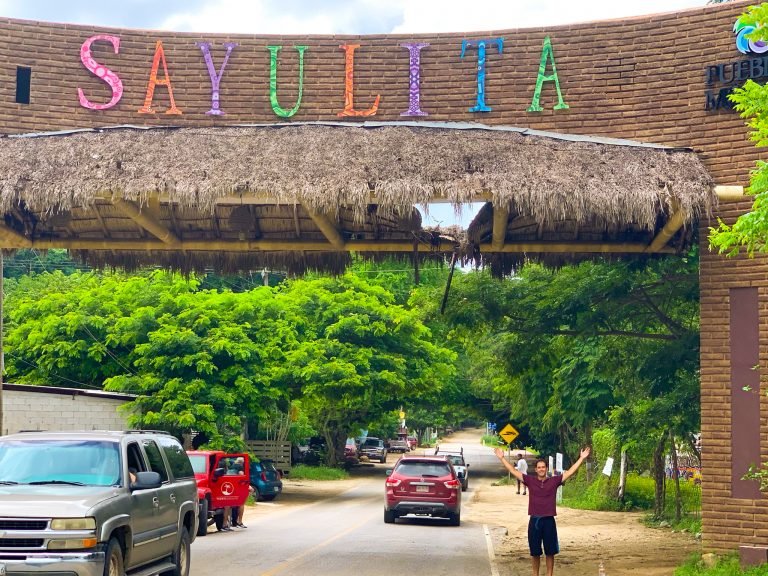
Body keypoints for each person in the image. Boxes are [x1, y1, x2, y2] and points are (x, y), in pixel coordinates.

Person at [494, 446, 590, 576]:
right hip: (534, 521)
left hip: (549, 521)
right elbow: (513, 471)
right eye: (539, 467)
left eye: (543, 467)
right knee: (535, 552)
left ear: (546, 469)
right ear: (536, 469)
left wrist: (582, 458)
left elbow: (570, 473)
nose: (541, 469)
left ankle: (550, 574)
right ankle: (535, 574)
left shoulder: (554, 481)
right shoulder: (530, 480)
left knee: (550, 552)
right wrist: (502, 458)